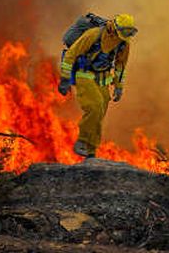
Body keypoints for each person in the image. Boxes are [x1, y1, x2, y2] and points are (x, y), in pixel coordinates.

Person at [58, 14, 138, 158]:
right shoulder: (94, 35)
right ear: (115, 27)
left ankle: (91, 150)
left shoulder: (123, 43)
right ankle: (81, 142)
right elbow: (71, 54)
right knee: (95, 106)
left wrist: (119, 86)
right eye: (125, 32)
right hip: (84, 75)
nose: (126, 36)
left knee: (99, 114)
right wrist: (65, 79)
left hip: (102, 79)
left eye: (129, 33)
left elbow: (120, 66)